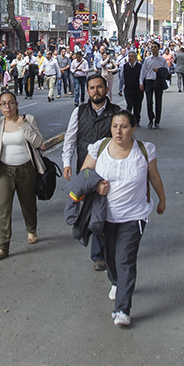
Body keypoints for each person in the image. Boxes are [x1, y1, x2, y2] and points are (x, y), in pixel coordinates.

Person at [81, 112, 168, 327]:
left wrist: (162, 200)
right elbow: (84, 172)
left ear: (133, 128)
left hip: (134, 215)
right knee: (111, 258)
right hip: (105, 216)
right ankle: (116, 282)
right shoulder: (100, 148)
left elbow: (154, 176)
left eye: (124, 127)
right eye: (114, 126)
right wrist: (96, 184)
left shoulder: (145, 150)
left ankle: (122, 309)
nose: (118, 131)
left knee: (125, 259)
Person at [63, 75, 122, 271]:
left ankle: (102, 253)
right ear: (87, 91)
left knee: (105, 211)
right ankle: (94, 248)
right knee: (93, 209)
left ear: (106, 89)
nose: (95, 91)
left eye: (99, 87)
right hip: (86, 171)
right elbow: (70, 139)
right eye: (92, 88)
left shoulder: (117, 113)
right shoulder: (79, 112)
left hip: (110, 172)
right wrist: (66, 162)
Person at [0, 91, 45, 260]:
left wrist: (23, 125)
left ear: (17, 104)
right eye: (3, 104)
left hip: (26, 169)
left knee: (28, 204)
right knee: (3, 208)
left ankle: (31, 229)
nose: (7, 107)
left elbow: (39, 142)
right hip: (4, 170)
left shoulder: (28, 119)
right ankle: (3, 246)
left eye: (11, 103)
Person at [141, 43, 169, 129]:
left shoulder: (162, 60)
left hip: (158, 81)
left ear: (158, 48)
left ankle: (157, 121)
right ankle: (151, 119)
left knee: (158, 102)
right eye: (152, 47)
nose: (153, 49)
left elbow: (167, 71)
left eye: (155, 47)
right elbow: (143, 71)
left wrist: (159, 71)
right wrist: (141, 82)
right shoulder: (147, 59)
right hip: (149, 81)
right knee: (149, 102)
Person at [121, 50, 144, 126]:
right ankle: (128, 120)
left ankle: (137, 120)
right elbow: (122, 76)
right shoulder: (125, 66)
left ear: (135, 58)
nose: (130, 58)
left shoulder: (139, 67)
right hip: (128, 88)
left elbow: (142, 76)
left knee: (137, 105)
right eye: (129, 56)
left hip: (137, 89)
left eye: (131, 56)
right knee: (129, 104)